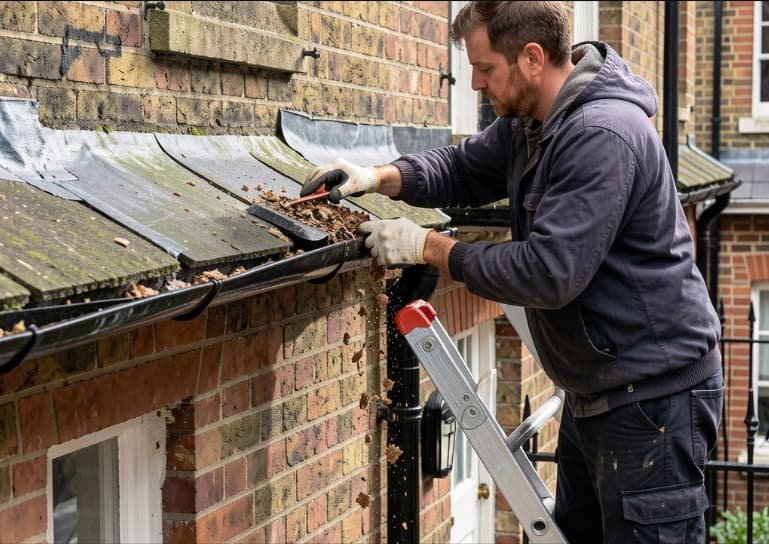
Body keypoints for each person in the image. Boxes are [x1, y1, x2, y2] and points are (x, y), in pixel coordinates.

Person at [301, 2, 723, 542]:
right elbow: (463, 167)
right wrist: (376, 176)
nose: (474, 82)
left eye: (485, 68)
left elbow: (548, 273)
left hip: (653, 402)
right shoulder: (533, 123)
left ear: (531, 58)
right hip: (602, 388)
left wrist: (428, 246)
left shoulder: (601, 134)